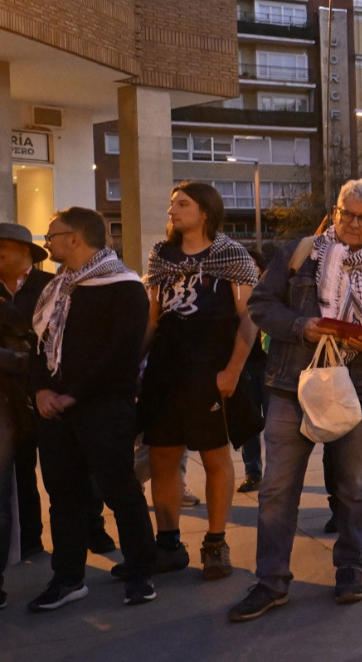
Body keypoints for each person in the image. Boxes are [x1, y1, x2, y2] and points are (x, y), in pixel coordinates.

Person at [229, 180, 362, 622]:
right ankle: (271, 581)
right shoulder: (300, 253)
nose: (353, 223)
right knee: (277, 490)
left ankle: (350, 569)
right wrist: (302, 326)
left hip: (358, 388)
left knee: (355, 487)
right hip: (291, 384)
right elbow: (261, 305)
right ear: (335, 212)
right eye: (346, 213)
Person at [27, 207, 158, 611]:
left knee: (120, 490)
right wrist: (41, 391)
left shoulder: (124, 286)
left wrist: (74, 395)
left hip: (104, 407)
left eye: (52, 235)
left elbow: (122, 355)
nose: (47, 242)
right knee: (64, 496)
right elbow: (38, 346)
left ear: (75, 238)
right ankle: (68, 577)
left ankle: (140, 572)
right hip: (55, 411)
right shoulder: (56, 288)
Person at [139, 182, 260, 581]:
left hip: (210, 367)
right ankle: (168, 544)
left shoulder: (231, 254)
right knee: (162, 457)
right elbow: (153, 319)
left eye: (182, 204)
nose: (172, 210)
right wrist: (134, 366)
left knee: (215, 457)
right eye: (172, 203)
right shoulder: (162, 255)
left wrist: (233, 370)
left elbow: (249, 318)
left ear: (205, 211)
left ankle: (216, 542)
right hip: (166, 369)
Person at [0, 221, 60, 562]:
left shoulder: (50, 286)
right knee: (17, 471)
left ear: (23, 252)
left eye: (1, 250)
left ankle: (89, 529)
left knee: (58, 471)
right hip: (7, 400)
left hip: (45, 391)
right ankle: (27, 540)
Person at [238, 243, 280, 494]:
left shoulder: (270, 294)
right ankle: (252, 473)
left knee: (275, 424)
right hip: (245, 367)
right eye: (245, 265)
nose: (250, 269)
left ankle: (276, 473)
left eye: (253, 264)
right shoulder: (235, 295)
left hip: (269, 365)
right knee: (249, 424)